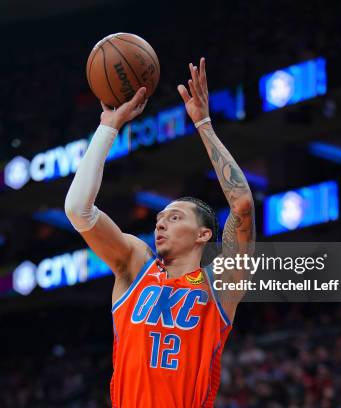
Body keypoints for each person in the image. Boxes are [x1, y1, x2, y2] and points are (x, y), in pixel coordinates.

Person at [65, 57, 255, 407]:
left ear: (202, 235)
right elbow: (78, 210)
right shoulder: (136, 265)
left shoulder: (220, 286)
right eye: (160, 219)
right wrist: (108, 127)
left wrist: (204, 124)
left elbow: (241, 203)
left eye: (175, 217)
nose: (160, 223)